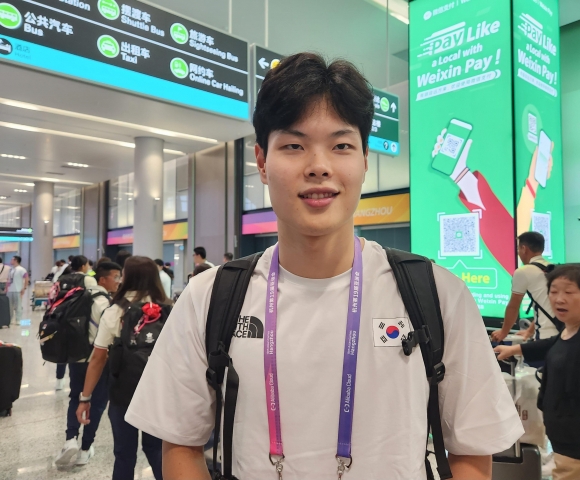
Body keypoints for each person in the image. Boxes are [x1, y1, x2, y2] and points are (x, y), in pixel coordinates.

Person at [126, 53, 522, 480]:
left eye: (341, 145)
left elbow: (471, 450)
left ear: (365, 160)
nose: (318, 166)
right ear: (261, 161)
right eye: (294, 145)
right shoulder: (210, 298)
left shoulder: (436, 294)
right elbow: (180, 444)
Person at [495, 265, 580, 480]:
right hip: (569, 448)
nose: (559, 299)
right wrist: (515, 348)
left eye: (568, 292)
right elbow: (554, 343)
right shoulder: (573, 329)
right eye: (554, 291)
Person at [77, 256, 169, 480]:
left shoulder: (115, 311)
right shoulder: (168, 308)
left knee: (124, 454)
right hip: (161, 393)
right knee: (158, 451)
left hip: (123, 392)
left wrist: (85, 397)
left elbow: (98, 358)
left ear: (127, 277)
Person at [54, 258, 120, 467]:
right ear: (103, 279)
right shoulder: (103, 302)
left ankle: (70, 439)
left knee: (77, 396)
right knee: (97, 403)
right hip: (98, 360)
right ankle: (84, 449)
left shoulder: (80, 294)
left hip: (77, 358)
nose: (118, 281)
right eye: (115, 277)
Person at [492, 231, 558, 343]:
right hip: (562, 334)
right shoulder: (554, 268)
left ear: (524, 248)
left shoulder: (523, 272)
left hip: (544, 338)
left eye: (518, 249)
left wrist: (503, 332)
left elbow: (514, 306)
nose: (518, 252)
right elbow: (544, 305)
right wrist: (529, 331)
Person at [7, 256, 28, 325]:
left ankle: (18, 319)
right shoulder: (11, 269)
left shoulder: (22, 269)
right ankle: (10, 319)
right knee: (10, 306)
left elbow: (26, 279)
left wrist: (24, 288)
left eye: (12, 259)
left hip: (18, 290)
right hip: (10, 290)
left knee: (18, 306)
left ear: (16, 260)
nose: (10, 260)